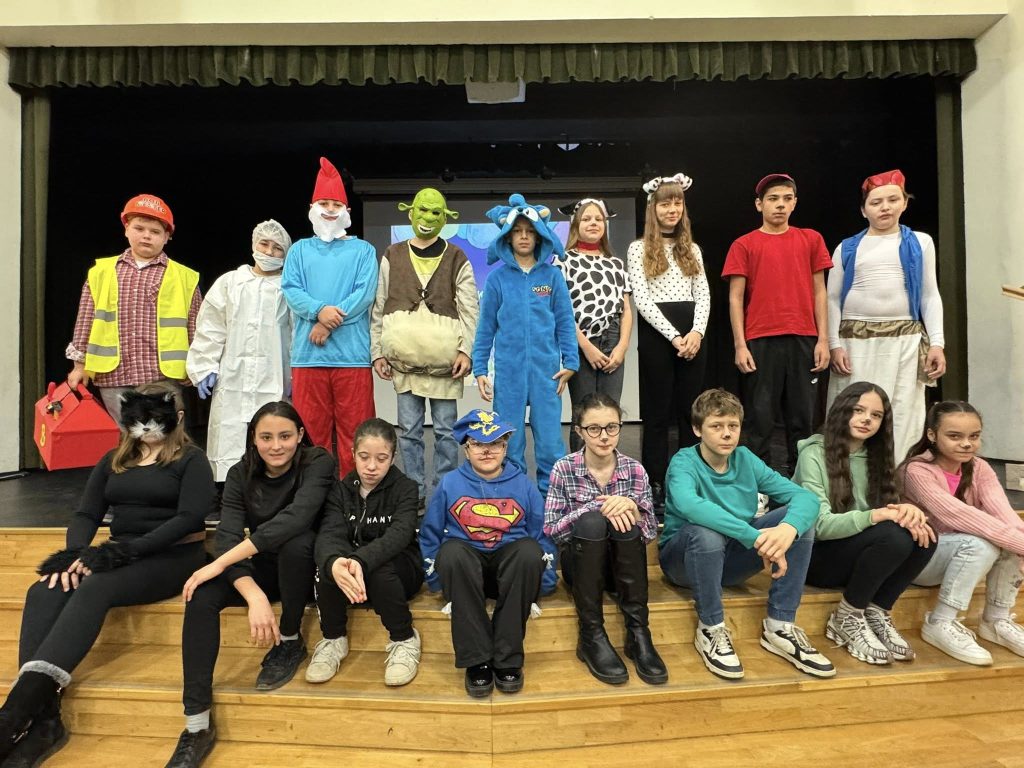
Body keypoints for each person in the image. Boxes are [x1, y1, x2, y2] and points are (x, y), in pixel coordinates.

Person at [0, 383, 214, 766]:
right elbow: (86, 514)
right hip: (117, 553)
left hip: (172, 555)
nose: (147, 426)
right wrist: (75, 555)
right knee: (44, 590)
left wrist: (121, 553)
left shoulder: (191, 460)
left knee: (97, 586)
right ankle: (45, 721)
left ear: (178, 417)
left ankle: (11, 718)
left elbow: (188, 518)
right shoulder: (114, 459)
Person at [165, 401, 335, 768]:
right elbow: (227, 535)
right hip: (260, 567)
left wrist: (220, 563)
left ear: (300, 435)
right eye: (266, 437)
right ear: (253, 439)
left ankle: (290, 639)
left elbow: (295, 520)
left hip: (305, 570)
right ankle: (197, 724)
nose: (276, 446)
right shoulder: (240, 472)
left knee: (297, 542)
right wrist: (252, 593)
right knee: (201, 594)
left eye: (285, 436)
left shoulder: (318, 462)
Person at [658, 388, 835, 680]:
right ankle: (711, 628)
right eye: (716, 426)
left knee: (800, 522)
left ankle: (780, 625)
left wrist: (787, 530)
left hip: (731, 561)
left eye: (733, 425)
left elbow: (806, 499)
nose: (727, 434)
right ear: (697, 430)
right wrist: (756, 537)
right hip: (684, 562)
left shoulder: (745, 458)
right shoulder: (684, 461)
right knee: (706, 532)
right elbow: (691, 506)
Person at [794, 382, 936, 665]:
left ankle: (877, 610)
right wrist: (877, 515)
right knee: (892, 535)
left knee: (924, 535)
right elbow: (820, 526)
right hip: (813, 558)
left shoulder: (877, 457)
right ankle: (846, 617)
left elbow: (890, 515)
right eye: (858, 410)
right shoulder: (813, 454)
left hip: (857, 558)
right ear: (841, 411)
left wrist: (907, 511)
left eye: (876, 415)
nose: (866, 419)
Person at [419, 409, 557, 697]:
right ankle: (477, 659)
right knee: (452, 552)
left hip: (511, 573)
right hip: (466, 576)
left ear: (505, 447)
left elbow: (541, 534)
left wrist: (543, 583)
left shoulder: (524, 485)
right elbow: (430, 534)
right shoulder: (450, 483)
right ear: (466, 449)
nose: (487, 451)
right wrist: (435, 579)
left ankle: (508, 658)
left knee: (528, 551)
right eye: (478, 444)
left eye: (495, 443)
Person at [544, 393, 666, 685]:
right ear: (579, 431)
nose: (604, 436)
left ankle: (638, 631)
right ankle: (591, 634)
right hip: (580, 566)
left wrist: (633, 509)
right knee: (593, 521)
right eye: (594, 428)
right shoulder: (564, 468)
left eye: (612, 427)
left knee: (627, 522)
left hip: (620, 570)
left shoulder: (634, 469)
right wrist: (594, 508)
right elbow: (552, 529)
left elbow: (650, 533)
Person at [827, 169, 946, 462]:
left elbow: (930, 294)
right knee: (854, 406)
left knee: (903, 409)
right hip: (855, 340)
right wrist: (834, 344)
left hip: (905, 340)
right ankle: (846, 472)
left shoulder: (920, 242)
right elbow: (831, 299)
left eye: (893, 200)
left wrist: (937, 343)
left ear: (904, 203)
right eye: (876, 202)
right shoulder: (847, 247)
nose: (885, 207)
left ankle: (897, 474)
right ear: (863, 210)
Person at [371, 188, 479, 509]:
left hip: (445, 365)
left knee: (446, 431)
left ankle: (444, 493)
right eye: (423, 210)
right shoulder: (392, 254)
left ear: (445, 218)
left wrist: (466, 350)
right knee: (408, 431)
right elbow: (379, 304)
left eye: (436, 212)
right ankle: (414, 493)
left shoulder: (457, 256)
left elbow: (470, 308)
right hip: (404, 364)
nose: (428, 218)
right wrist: (377, 351)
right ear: (411, 213)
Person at [723, 173, 831, 475]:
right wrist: (740, 345)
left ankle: (804, 480)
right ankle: (760, 484)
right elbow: (735, 298)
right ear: (759, 204)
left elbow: (820, 291)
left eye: (786, 199)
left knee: (803, 418)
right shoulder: (744, 244)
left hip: (804, 337)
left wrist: (823, 340)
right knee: (760, 418)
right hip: (761, 339)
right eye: (773, 199)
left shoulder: (810, 239)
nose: (780, 205)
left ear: (795, 203)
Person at [901, 401, 1024, 666]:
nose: (967, 444)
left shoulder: (979, 468)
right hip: (919, 560)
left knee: (1010, 536)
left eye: (974, 436)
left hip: (960, 554)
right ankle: (940, 621)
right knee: (983, 542)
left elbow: (1005, 515)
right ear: (932, 435)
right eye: (955, 436)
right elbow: (956, 515)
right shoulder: (916, 470)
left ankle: (996, 620)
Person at [472, 194, 579, 495]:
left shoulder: (552, 276)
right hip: (509, 373)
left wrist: (571, 362)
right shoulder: (497, 279)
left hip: (547, 373)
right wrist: (480, 369)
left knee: (550, 442)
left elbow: (565, 321)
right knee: (510, 440)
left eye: (529, 231)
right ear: (507, 236)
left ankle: (551, 500)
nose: (523, 236)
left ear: (539, 236)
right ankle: (514, 498)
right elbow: (485, 328)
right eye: (517, 231)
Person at [66, 194, 203, 425]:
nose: (146, 235)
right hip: (113, 375)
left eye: (155, 231)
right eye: (139, 228)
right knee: (125, 436)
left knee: (163, 437)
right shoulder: (101, 272)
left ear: (167, 237)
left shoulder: (184, 277)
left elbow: (196, 326)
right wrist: (79, 365)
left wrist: (196, 365)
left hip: (161, 375)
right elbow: (85, 320)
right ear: (126, 229)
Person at [282, 157, 378, 478]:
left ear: (346, 210)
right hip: (308, 358)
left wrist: (327, 322)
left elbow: (364, 294)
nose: (330, 210)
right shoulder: (298, 250)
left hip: (352, 357)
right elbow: (291, 290)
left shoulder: (363, 251)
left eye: (336, 204)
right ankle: (315, 493)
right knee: (311, 434)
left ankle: (354, 493)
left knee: (357, 433)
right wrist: (318, 312)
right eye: (324, 203)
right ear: (312, 207)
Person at [310, 418, 424, 687]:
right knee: (327, 568)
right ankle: (333, 639)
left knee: (379, 569)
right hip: (354, 571)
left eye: (381, 459)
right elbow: (329, 534)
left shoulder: (406, 488)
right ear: (352, 454)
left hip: (398, 570)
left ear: (393, 457)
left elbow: (399, 535)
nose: (371, 466)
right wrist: (337, 562)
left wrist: (360, 560)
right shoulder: (340, 490)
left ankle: (404, 638)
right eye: (364, 457)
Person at [626, 174, 711, 510]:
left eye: (678, 202)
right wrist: (674, 336)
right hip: (658, 336)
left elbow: (703, 294)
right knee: (657, 414)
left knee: (691, 413)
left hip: (692, 335)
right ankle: (656, 482)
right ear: (653, 208)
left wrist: (696, 333)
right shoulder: (638, 249)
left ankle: (689, 481)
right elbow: (642, 300)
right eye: (665, 203)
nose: (672, 209)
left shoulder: (692, 249)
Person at [187, 220, 294, 481]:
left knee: (272, 435)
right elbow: (211, 327)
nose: (269, 252)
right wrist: (205, 365)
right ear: (254, 244)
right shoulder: (230, 282)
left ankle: (271, 489)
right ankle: (226, 490)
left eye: (277, 248)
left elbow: (295, 335)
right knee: (228, 435)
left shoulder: (288, 288)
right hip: (233, 377)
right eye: (264, 244)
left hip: (274, 376)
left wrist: (296, 376)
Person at [557, 199, 634, 453]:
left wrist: (622, 347)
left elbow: (626, 310)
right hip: (581, 342)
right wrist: (586, 347)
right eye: (587, 218)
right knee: (583, 411)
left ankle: (607, 469)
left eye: (598, 219)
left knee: (610, 410)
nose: (593, 223)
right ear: (575, 224)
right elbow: (561, 311)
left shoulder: (616, 263)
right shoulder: (563, 261)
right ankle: (580, 471)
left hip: (613, 341)